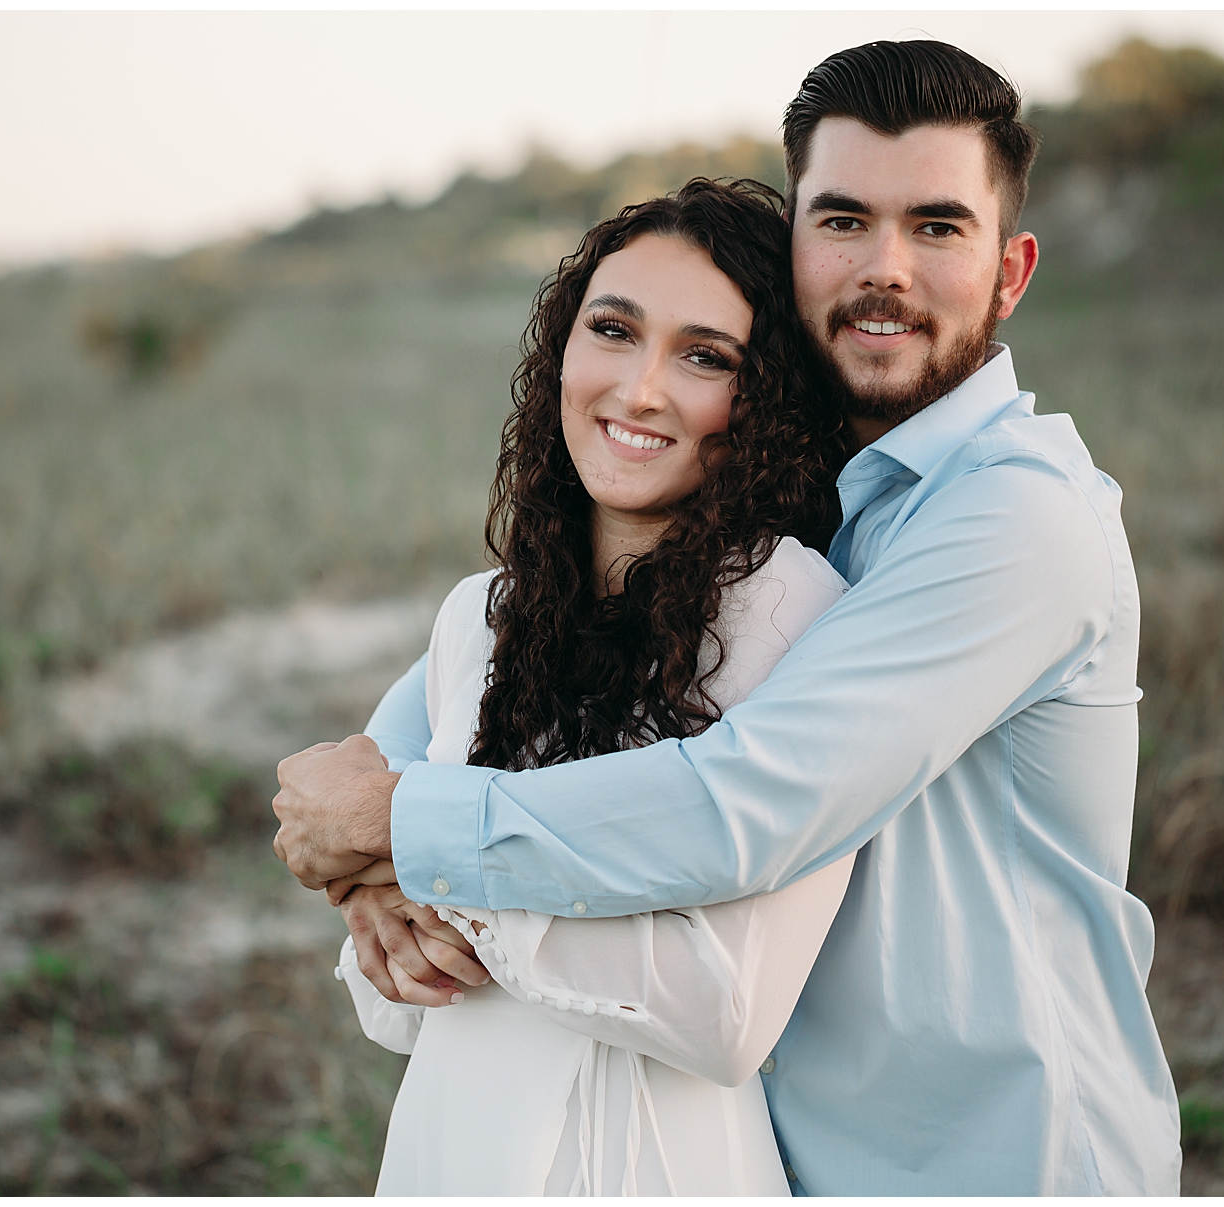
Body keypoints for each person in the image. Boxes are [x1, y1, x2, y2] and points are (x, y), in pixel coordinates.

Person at [276, 40, 1183, 1196]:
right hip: (791, 1153)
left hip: (999, 1156)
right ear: (795, 247)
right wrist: (372, 865)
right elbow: (406, 742)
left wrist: (406, 832)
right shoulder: (792, 506)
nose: (884, 269)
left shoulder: (1018, 520)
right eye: (844, 220)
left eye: (938, 228)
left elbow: (746, 803)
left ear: (1011, 273)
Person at [331, 178, 859, 1194]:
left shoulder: (792, 611)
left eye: (706, 355)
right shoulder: (478, 615)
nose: (641, 387)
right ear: (561, 351)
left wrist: (438, 872)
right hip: (453, 1147)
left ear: (765, 400)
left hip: (650, 1161)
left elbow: (727, 1013)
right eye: (613, 329)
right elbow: (390, 1008)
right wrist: (382, 912)